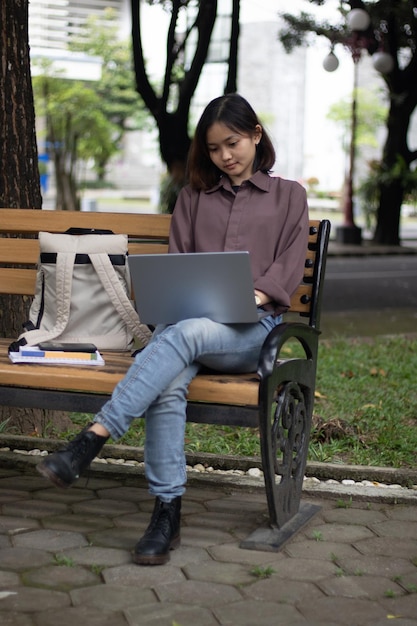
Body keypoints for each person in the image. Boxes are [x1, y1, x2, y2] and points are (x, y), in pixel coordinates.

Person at [36, 93, 309, 566]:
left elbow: (286, 271)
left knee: (182, 336)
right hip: (188, 330)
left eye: (234, 142)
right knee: (168, 381)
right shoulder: (193, 199)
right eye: (215, 148)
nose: (225, 155)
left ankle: (94, 437)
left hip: (253, 334)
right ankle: (167, 513)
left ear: (256, 135)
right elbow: (178, 269)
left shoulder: (290, 196)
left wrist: (249, 298)